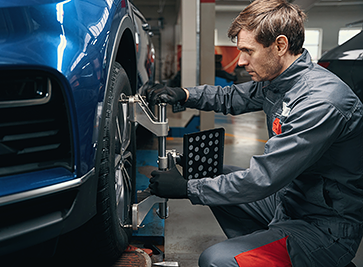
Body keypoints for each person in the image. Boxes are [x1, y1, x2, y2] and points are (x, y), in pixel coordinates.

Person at [147, 0, 363, 266]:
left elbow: (264, 178)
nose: (241, 61)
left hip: (325, 226)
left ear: (280, 45)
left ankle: (303, 254)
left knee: (215, 260)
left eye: (248, 51)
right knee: (208, 173)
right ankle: (267, 246)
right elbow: (231, 97)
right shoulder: (279, 81)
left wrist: (187, 189)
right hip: (291, 201)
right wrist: (185, 94)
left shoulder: (320, 101)